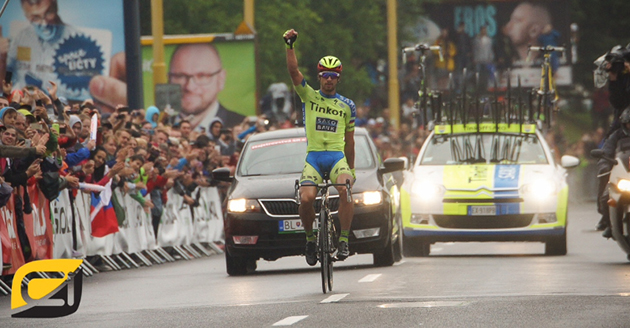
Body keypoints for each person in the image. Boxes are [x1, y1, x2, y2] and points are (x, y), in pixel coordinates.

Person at [283, 29, 356, 264]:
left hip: (336, 157)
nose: (328, 79)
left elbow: (350, 141)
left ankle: (343, 239)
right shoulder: (308, 96)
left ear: (338, 78)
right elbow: (293, 71)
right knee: (305, 199)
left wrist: (351, 170)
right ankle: (310, 239)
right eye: (324, 74)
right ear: (319, 77)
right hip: (314, 157)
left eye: (333, 75)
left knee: (345, 189)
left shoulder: (347, 106)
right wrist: (289, 45)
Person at [168, 43, 245, 130]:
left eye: (201, 76)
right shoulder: (160, 125)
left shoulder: (240, 125)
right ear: (169, 79)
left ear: (221, 79)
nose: (189, 87)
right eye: (180, 76)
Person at [597, 109, 630, 238]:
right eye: (628, 123)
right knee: (607, 197)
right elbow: (605, 153)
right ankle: (610, 224)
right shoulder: (616, 136)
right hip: (622, 176)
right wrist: (605, 166)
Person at [473, 26, 495, 93]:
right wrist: (475, 58)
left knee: (487, 74)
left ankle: (487, 87)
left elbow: (490, 50)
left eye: (485, 30)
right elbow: (475, 50)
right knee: (478, 74)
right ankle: (478, 87)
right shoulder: (477, 39)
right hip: (478, 60)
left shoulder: (489, 39)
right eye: (482, 30)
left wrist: (491, 58)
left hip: (486, 60)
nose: (484, 31)